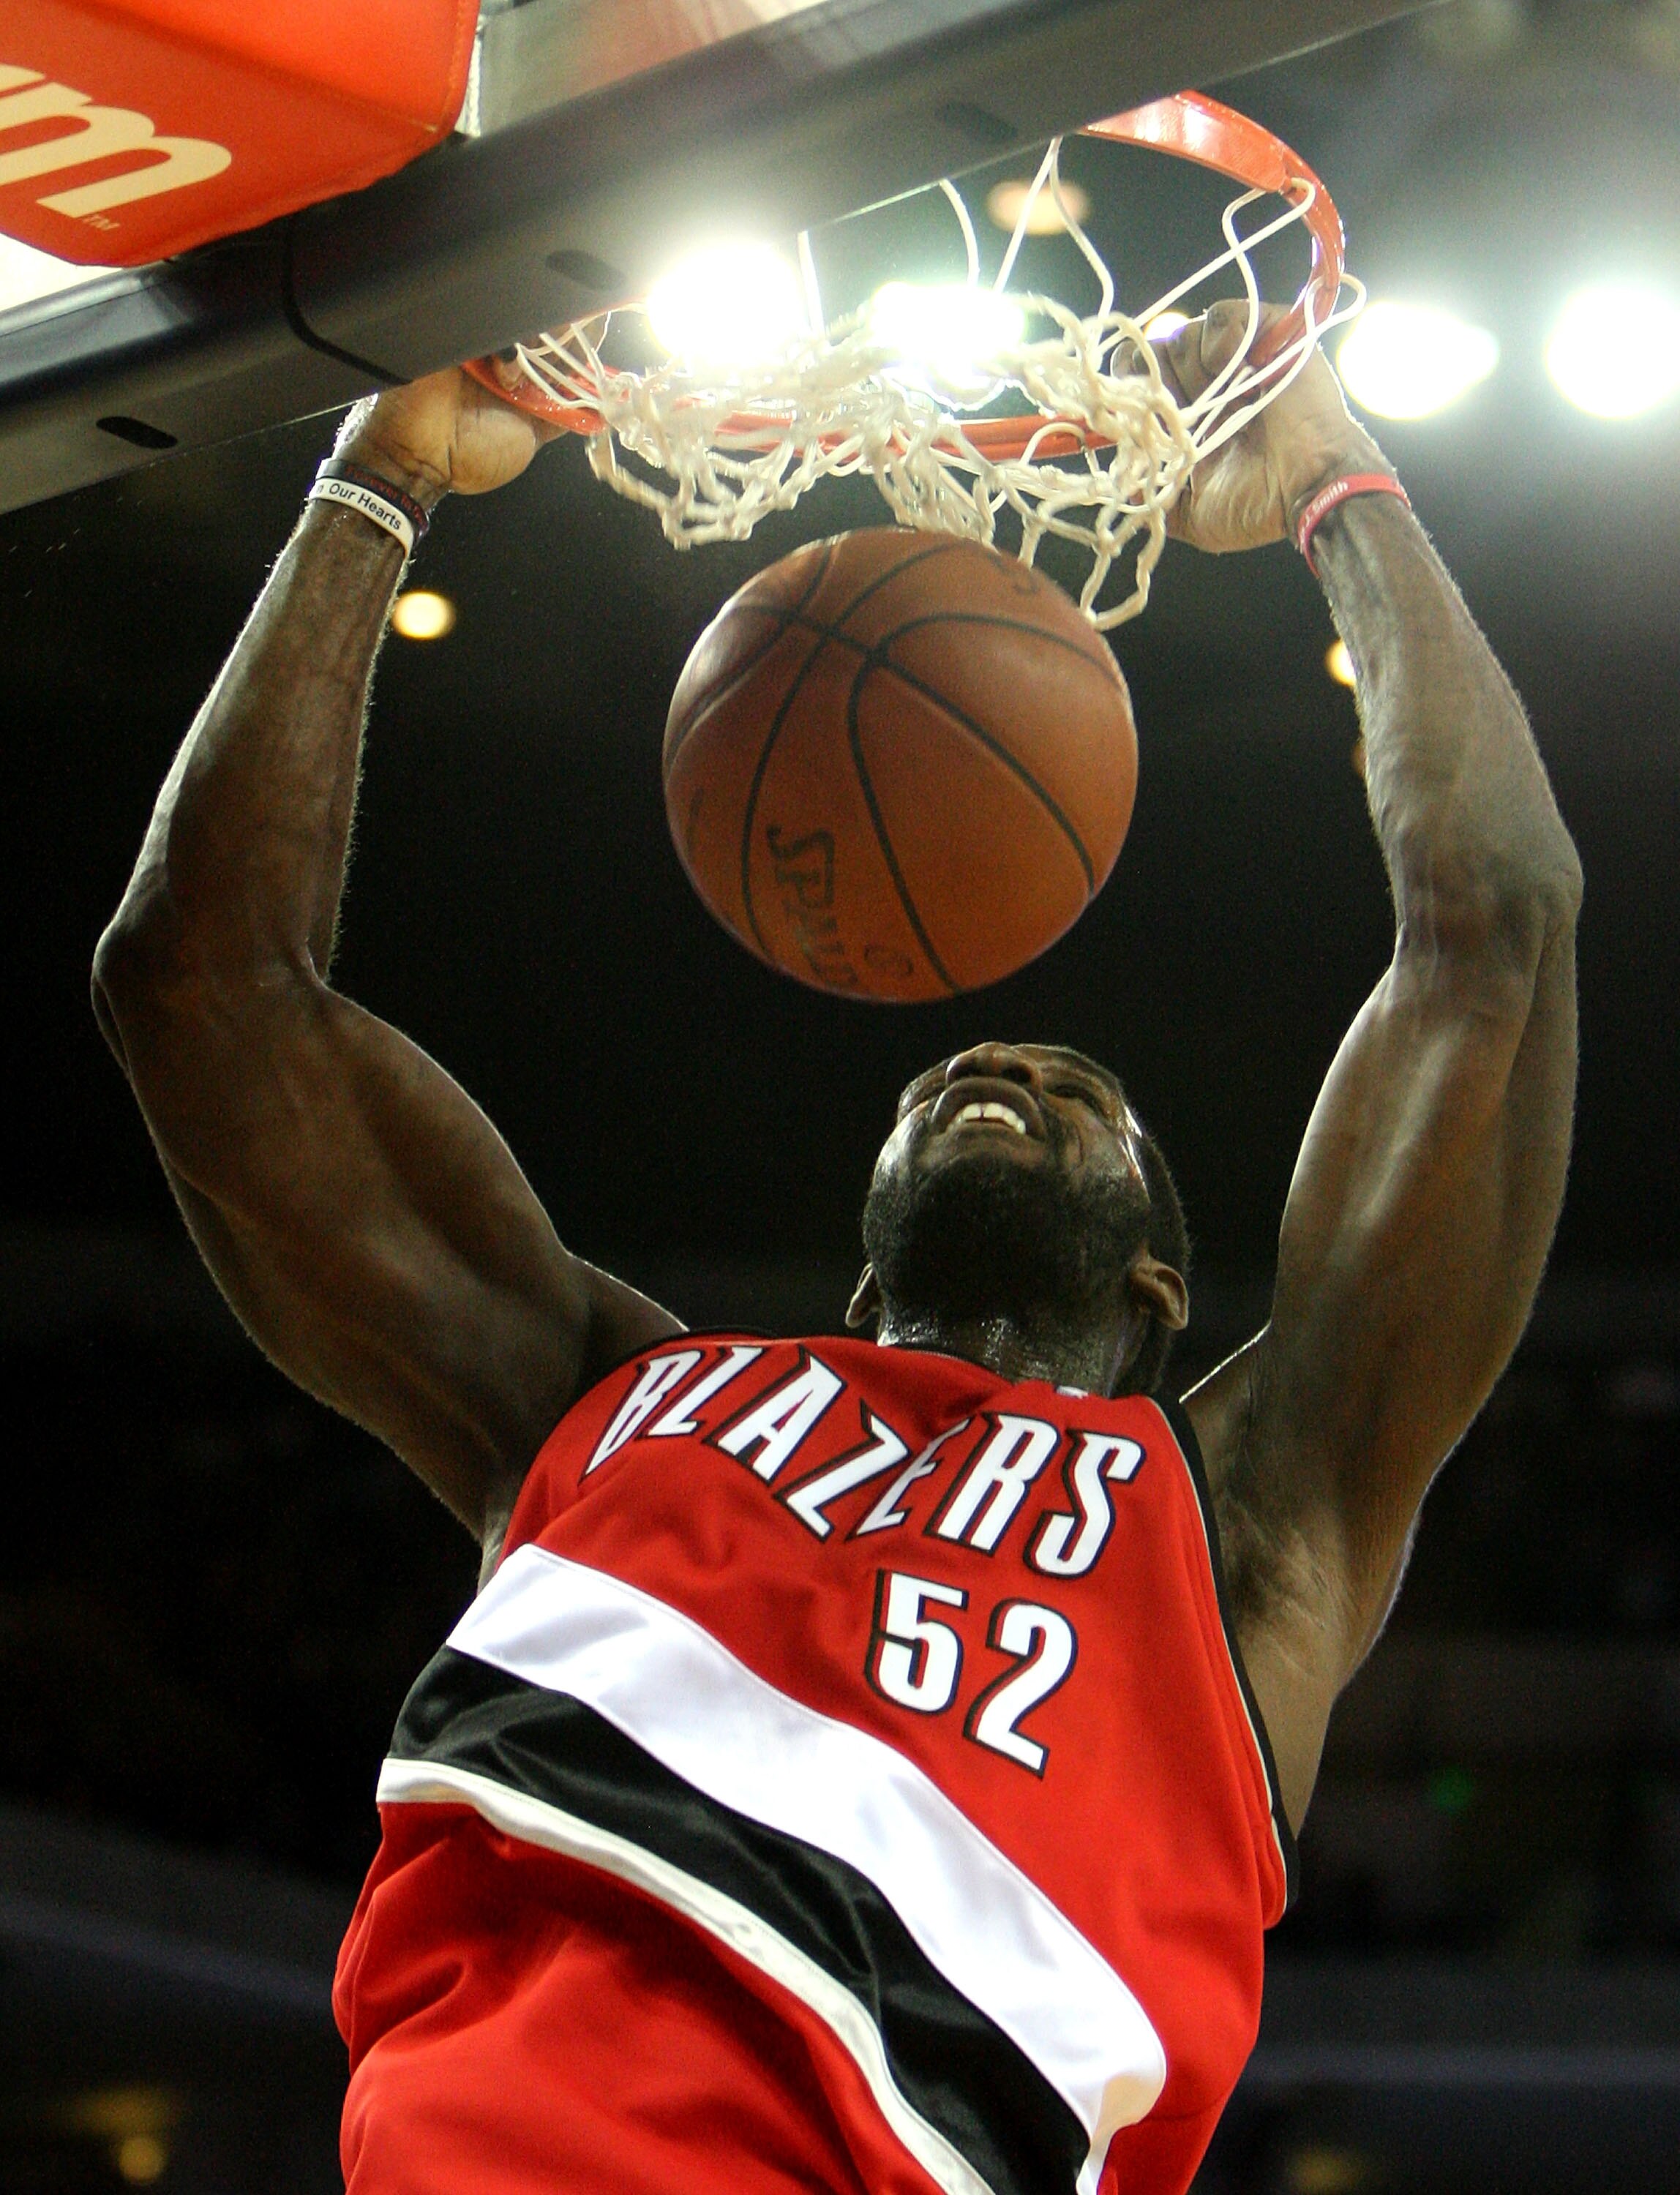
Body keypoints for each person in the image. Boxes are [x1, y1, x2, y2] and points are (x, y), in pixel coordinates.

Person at [91, 312, 1581, 2195]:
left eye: (1077, 1090)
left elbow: (1493, 935)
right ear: (862, 1278)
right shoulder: (611, 1398)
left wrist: (1332, 479)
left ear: (1154, 1292)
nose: (1007, 1065)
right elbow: (199, 993)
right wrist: (379, 475)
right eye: (964, 1067)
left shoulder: (1249, 1518)